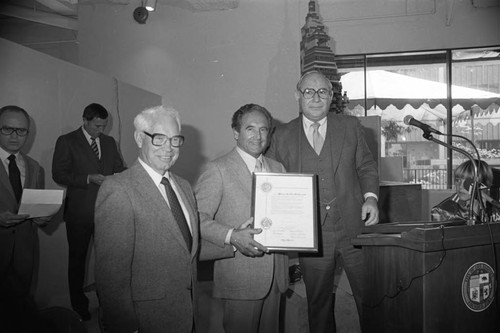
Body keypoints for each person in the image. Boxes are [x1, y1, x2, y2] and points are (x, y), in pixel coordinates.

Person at [266, 70, 379, 333]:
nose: (315, 98)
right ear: (298, 95)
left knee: (370, 298)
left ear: (331, 97)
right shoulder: (281, 135)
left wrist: (371, 198)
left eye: (322, 92)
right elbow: (272, 183)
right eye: (308, 92)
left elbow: (366, 167)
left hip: (354, 228)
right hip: (311, 236)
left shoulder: (350, 127)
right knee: (318, 304)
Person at [94, 105, 199, 333]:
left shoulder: (184, 186)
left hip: (187, 312)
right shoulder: (118, 189)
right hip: (147, 319)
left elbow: (186, 247)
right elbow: (111, 276)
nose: (169, 148)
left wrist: (233, 239)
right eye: (159, 138)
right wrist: (125, 326)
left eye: (175, 139)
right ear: (140, 138)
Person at [195, 103, 289, 333]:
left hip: (276, 275)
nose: (258, 136)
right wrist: (232, 236)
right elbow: (196, 217)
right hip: (240, 276)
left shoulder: (279, 169)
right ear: (236, 133)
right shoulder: (217, 169)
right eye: (250, 128)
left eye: (264, 129)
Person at [51, 103, 125, 321]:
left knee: (108, 262)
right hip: (79, 213)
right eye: (96, 126)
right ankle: (79, 308)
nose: (100, 130)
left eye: (103, 126)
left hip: (107, 211)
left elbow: (119, 169)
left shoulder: (110, 142)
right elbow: (59, 174)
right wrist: (87, 178)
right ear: (85, 120)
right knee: (77, 262)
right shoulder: (67, 141)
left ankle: (107, 304)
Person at [0, 105, 51, 331]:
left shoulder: (35, 168)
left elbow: (36, 208)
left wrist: (42, 218)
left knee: (18, 315)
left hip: (24, 252)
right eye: (7, 129)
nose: (15, 136)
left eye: (21, 131)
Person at [431, 159, 500, 223]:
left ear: (483, 184)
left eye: (467, 182)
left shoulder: (494, 209)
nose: (460, 186)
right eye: (458, 180)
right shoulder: (442, 211)